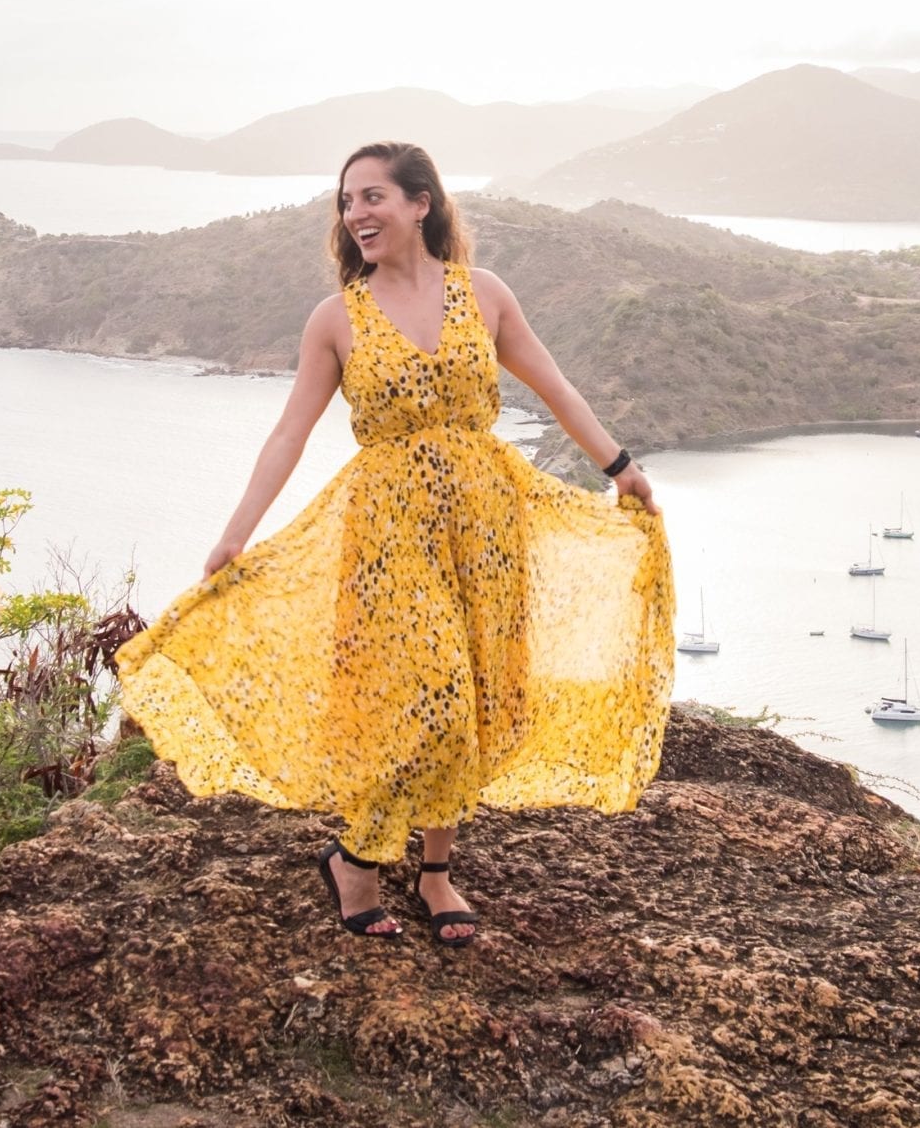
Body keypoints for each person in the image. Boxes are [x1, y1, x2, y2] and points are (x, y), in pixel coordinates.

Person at [113, 141, 675, 946]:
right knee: (421, 699)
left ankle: (437, 870)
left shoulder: (483, 295)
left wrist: (620, 467)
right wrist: (232, 537)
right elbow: (288, 434)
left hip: (485, 523)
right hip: (389, 535)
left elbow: (555, 387)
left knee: (477, 698)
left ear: (421, 203)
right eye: (347, 202)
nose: (356, 214)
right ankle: (356, 859)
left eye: (372, 196)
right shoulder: (336, 317)